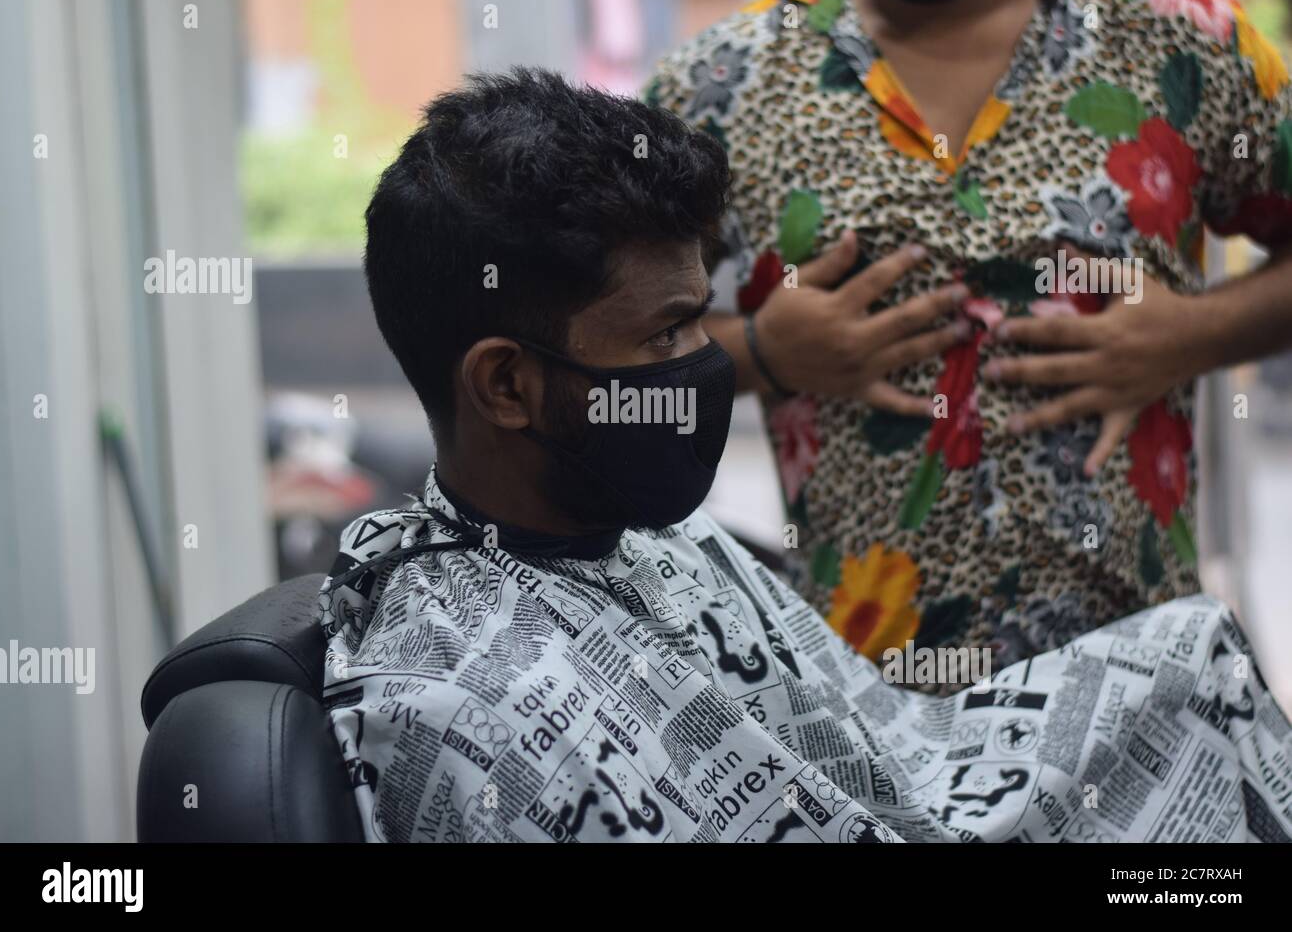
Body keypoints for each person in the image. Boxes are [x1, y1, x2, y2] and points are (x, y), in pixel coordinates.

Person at [318, 68, 1292, 843]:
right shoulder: (469, 701)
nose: (703, 361)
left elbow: (901, 757)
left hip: (940, 777)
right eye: (664, 335)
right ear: (504, 384)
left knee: (1187, 658)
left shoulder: (636, 535)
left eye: (701, 319)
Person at [646, 0, 1292, 686]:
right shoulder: (719, 84)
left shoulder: (1185, 40)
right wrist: (763, 351)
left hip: (1135, 692)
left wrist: (1196, 333)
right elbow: (592, 348)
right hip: (864, 704)